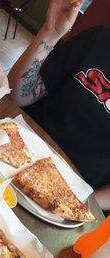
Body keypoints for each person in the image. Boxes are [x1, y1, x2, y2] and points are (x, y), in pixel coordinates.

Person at [8, 0, 110, 210]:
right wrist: (51, 31)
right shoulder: (99, 39)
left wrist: (76, 205)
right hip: (15, 150)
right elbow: (19, 96)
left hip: (69, 194)